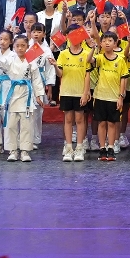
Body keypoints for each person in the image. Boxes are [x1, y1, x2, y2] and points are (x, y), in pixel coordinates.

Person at [55, 26, 93, 162]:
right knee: (68, 120)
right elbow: (60, 74)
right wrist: (54, 65)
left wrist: (85, 93)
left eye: (76, 34)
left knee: (80, 119)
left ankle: (79, 148)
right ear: (67, 37)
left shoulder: (86, 54)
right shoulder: (63, 54)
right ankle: (69, 148)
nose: (74, 37)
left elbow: (87, 75)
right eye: (71, 34)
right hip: (66, 92)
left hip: (79, 92)